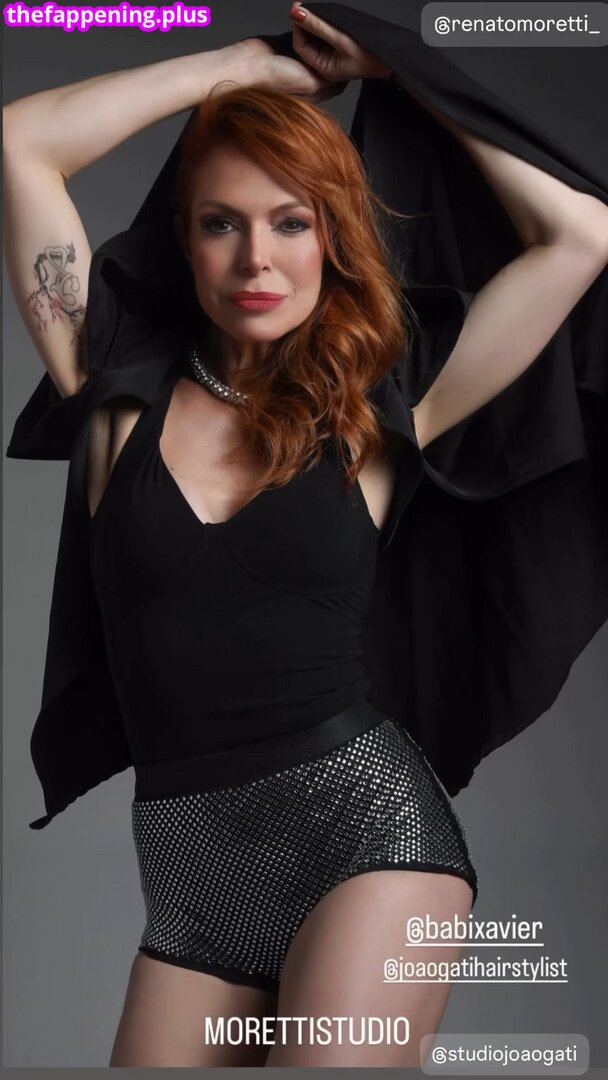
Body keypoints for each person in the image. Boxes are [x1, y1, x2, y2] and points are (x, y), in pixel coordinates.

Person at [4, 0, 608, 1068]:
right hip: (188, 879)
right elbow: (21, 142)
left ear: (334, 237)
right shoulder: (113, 404)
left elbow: (580, 235)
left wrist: (400, 70)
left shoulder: (383, 416)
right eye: (221, 222)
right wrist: (245, 67)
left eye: (292, 222)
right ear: (183, 238)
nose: (257, 258)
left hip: (364, 836)